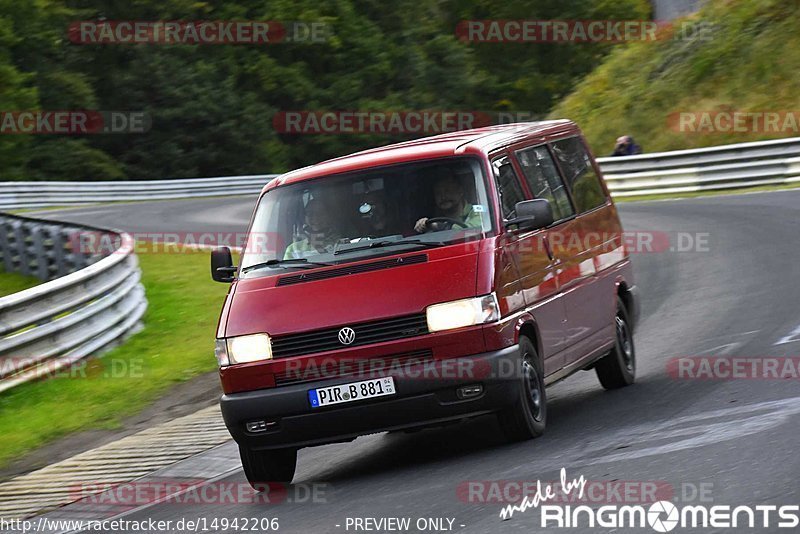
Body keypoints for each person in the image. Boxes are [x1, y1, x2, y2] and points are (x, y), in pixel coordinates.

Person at [414, 173, 483, 233]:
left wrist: (439, 226)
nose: (443, 197)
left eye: (448, 191)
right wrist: (423, 225)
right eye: (438, 193)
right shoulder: (434, 219)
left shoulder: (478, 211)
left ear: (460, 191)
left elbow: (477, 226)